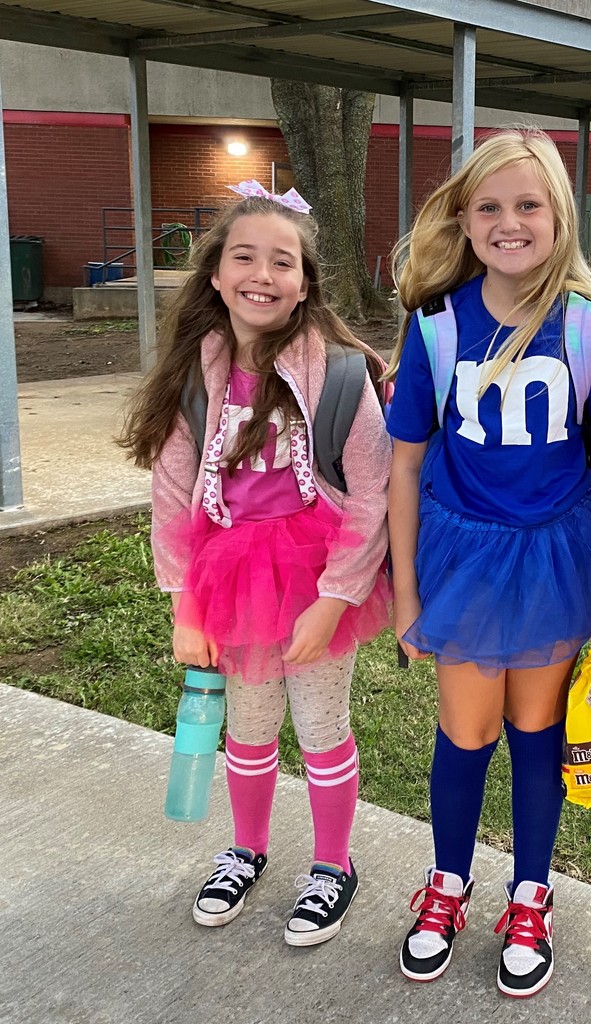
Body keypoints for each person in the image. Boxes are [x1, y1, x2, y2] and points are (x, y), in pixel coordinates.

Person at [386, 129, 591, 997]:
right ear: (463, 217)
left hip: (554, 564)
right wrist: (405, 593)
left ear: (559, 215)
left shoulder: (587, 327)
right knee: (466, 734)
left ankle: (531, 893)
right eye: (489, 206)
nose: (509, 221)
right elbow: (407, 465)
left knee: (538, 737)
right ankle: (447, 883)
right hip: (460, 560)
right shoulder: (434, 326)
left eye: (528, 204)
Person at [118, 182, 391, 948]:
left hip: (315, 574)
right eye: (245, 257)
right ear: (214, 274)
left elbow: (370, 492)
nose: (262, 274)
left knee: (322, 723)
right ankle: (247, 849)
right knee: (249, 724)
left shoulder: (338, 372)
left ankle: (333, 865)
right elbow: (173, 493)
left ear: (305, 284)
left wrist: (336, 598)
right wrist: (185, 605)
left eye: (283, 262)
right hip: (231, 578)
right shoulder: (195, 375)